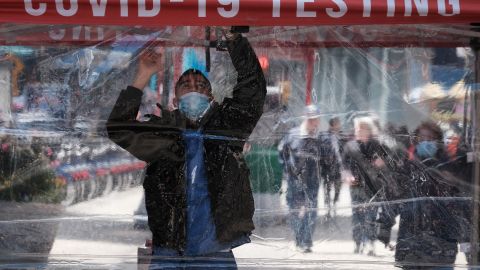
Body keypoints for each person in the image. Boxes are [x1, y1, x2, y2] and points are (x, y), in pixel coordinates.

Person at [106, 28, 266, 269]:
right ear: (174, 100)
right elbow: (119, 129)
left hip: (215, 251)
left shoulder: (227, 128)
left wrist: (234, 39)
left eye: (200, 86)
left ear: (211, 97)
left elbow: (253, 88)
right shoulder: (162, 135)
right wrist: (143, 75)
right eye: (186, 85)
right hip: (168, 251)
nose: (193, 89)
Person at [377, 121, 469, 270]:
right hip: (412, 243)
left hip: (442, 243)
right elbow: (392, 196)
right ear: (416, 139)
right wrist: (384, 226)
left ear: (438, 140)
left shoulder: (449, 167)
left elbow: (460, 205)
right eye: (422, 137)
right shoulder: (406, 166)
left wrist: (466, 239)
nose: (426, 141)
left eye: (431, 138)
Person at [278, 105, 322, 253]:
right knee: (295, 211)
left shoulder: (320, 138)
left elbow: (327, 158)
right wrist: (287, 170)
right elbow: (281, 152)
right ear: (305, 118)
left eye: (315, 119)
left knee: (311, 211)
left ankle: (306, 241)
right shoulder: (293, 134)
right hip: (294, 181)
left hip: (313, 181)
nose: (313, 123)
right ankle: (298, 238)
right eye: (310, 119)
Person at [342, 119, 388, 256]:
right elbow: (344, 165)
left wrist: (382, 163)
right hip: (356, 186)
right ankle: (358, 243)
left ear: (369, 131)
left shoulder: (377, 145)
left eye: (362, 129)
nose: (359, 131)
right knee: (357, 215)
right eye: (357, 129)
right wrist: (347, 175)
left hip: (373, 187)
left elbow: (388, 161)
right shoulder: (350, 146)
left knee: (371, 216)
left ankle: (370, 244)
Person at [319, 117, 345, 218]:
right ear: (332, 125)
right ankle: (328, 207)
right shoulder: (324, 136)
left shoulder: (342, 136)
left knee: (338, 187)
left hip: (339, 166)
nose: (339, 126)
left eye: (339, 124)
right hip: (328, 167)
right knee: (327, 188)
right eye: (337, 124)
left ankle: (334, 203)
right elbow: (322, 150)